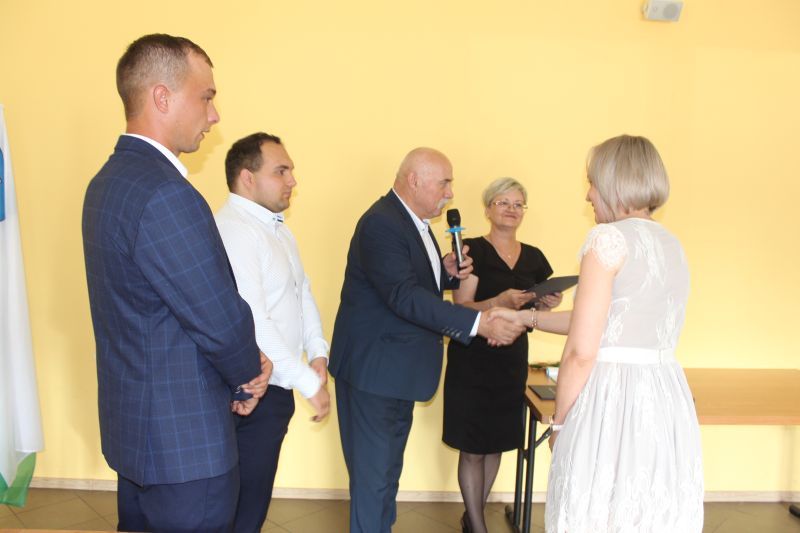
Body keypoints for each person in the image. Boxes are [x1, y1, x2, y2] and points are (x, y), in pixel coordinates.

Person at [82, 34, 270, 532]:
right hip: (185, 448)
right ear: (162, 97)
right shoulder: (166, 193)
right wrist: (248, 373)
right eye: (206, 97)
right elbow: (217, 316)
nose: (214, 115)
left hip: (138, 437)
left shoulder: (107, 182)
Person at [328, 148, 527, 533]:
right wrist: (477, 323)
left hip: (396, 373)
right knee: (373, 482)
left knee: (385, 477)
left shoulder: (410, 221)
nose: (450, 193)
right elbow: (403, 296)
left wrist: (444, 273)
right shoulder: (382, 223)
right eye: (444, 183)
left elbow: (410, 283)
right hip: (375, 375)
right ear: (414, 180)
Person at [514, 135, 703, 532]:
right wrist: (526, 319)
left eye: (592, 183)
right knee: (647, 511)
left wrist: (560, 424)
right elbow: (605, 319)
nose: (588, 195)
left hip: (612, 399)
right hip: (663, 395)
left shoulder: (607, 239)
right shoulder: (672, 243)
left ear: (614, 182)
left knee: (596, 509)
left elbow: (581, 351)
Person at [215, 132, 331, 532]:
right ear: (247, 178)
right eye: (281, 171)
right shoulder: (235, 230)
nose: (292, 180)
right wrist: (307, 382)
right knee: (239, 511)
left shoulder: (277, 229)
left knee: (253, 504)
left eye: (291, 171)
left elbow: (301, 293)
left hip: (277, 387)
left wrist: (317, 352)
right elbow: (253, 320)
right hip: (251, 391)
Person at [442, 177, 563, 533]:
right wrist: (499, 301)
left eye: (518, 204)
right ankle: (477, 526)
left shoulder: (535, 257)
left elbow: (535, 309)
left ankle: (473, 516)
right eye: (503, 202)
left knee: (494, 444)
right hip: (472, 361)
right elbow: (462, 308)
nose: (511, 209)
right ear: (488, 209)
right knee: (472, 447)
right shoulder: (472, 252)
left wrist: (547, 302)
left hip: (511, 361)